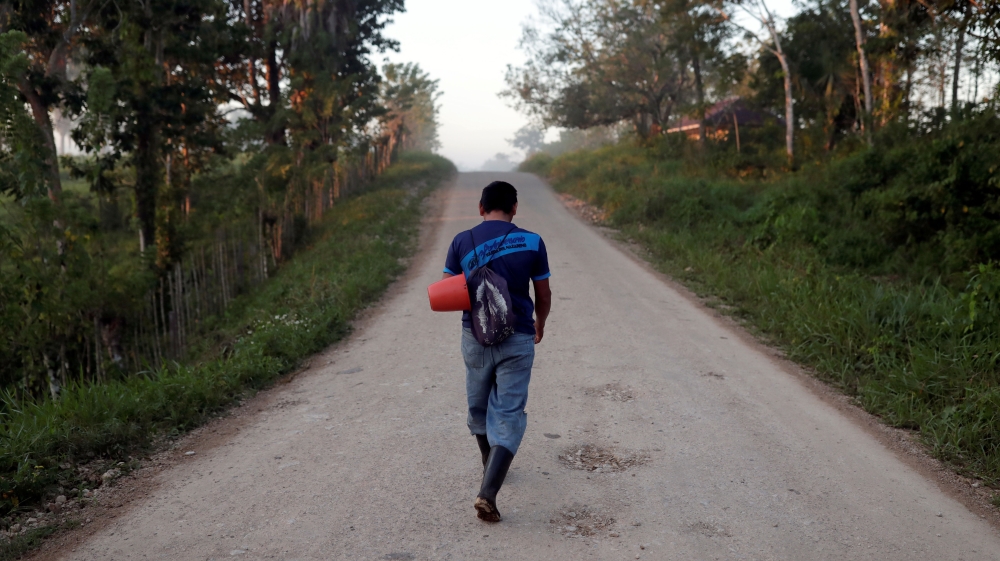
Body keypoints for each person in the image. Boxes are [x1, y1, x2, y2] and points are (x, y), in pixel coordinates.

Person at [441, 180, 552, 522]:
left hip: (474, 337)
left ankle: (489, 465)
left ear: (481, 207)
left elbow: (448, 290)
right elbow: (543, 294)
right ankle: (488, 491)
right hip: (518, 337)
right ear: (514, 208)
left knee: (478, 405)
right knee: (508, 411)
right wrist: (540, 323)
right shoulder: (533, 241)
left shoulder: (461, 241)